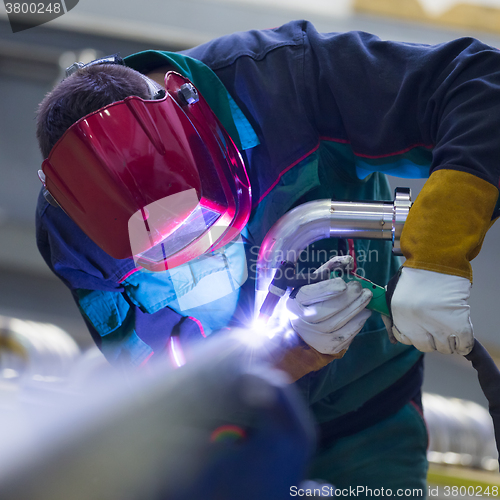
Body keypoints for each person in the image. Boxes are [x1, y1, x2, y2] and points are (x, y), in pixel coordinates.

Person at [35, 20, 500, 495]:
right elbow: (166, 386)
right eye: (160, 253)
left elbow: (481, 89)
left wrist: (439, 253)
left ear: (205, 132)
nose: (195, 251)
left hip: (367, 413)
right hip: (227, 438)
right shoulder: (73, 235)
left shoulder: (288, 82)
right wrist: (290, 355)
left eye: (201, 224)